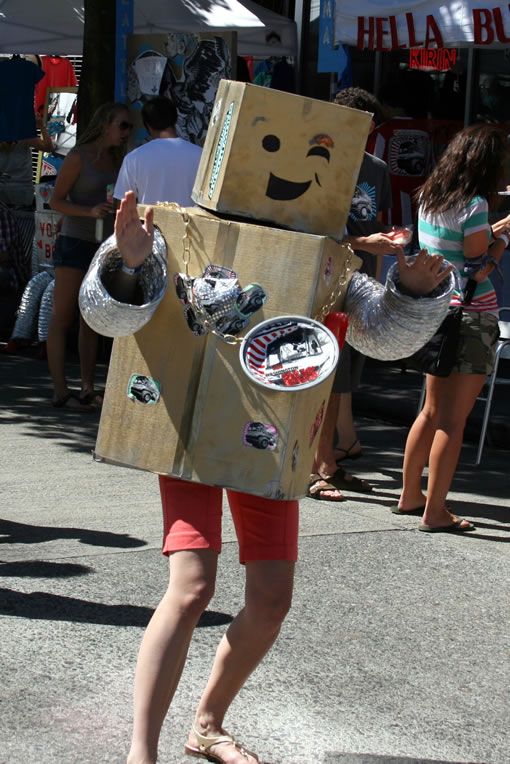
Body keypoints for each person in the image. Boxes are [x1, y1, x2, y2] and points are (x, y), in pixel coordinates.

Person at [96, 191, 453, 764]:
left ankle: (207, 726)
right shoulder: (187, 234)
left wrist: (411, 291)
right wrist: (131, 263)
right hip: (190, 429)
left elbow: (384, 336)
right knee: (191, 587)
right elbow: (110, 314)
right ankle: (142, 753)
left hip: (269, 438)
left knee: (271, 599)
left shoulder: (325, 261)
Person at [393, 124, 510, 532]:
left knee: (429, 410)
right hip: (472, 314)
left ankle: (409, 494)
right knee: (453, 421)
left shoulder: (430, 196)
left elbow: (455, 246)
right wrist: (504, 242)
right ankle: (436, 510)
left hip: (439, 310)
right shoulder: (475, 202)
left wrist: (496, 229)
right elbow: (478, 261)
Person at [309, 87, 404, 502]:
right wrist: (364, 245)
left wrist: (378, 288)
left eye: (369, 128)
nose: (364, 135)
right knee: (320, 373)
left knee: (340, 377)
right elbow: (310, 229)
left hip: (358, 285)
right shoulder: (315, 159)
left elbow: (376, 227)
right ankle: (316, 466)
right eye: (357, 125)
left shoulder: (376, 169)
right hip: (320, 280)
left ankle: (327, 462)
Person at [47, 101, 131, 410]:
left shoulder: (118, 159)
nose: (126, 132)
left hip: (103, 245)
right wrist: (89, 211)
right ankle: (59, 390)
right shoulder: (78, 156)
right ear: (105, 123)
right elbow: (56, 201)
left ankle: (86, 387)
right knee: (63, 314)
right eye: (122, 125)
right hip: (75, 240)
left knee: (90, 317)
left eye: (129, 127)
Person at [114, 96, 202, 206]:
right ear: (175, 120)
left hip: (149, 222)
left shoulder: (134, 159)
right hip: (190, 223)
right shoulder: (201, 156)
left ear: (148, 125)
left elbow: (123, 206)